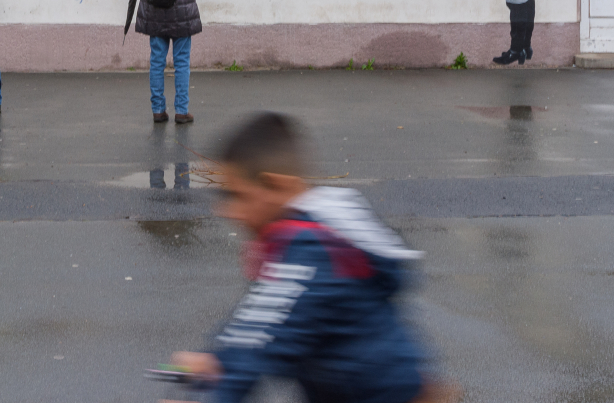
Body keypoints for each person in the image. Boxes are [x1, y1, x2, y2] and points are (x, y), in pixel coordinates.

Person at [162, 113, 459, 403]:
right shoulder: (317, 229)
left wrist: (224, 375)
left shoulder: (311, 250)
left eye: (237, 196)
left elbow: (258, 340)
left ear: (277, 186)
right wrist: (217, 360)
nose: (227, 211)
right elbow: (258, 316)